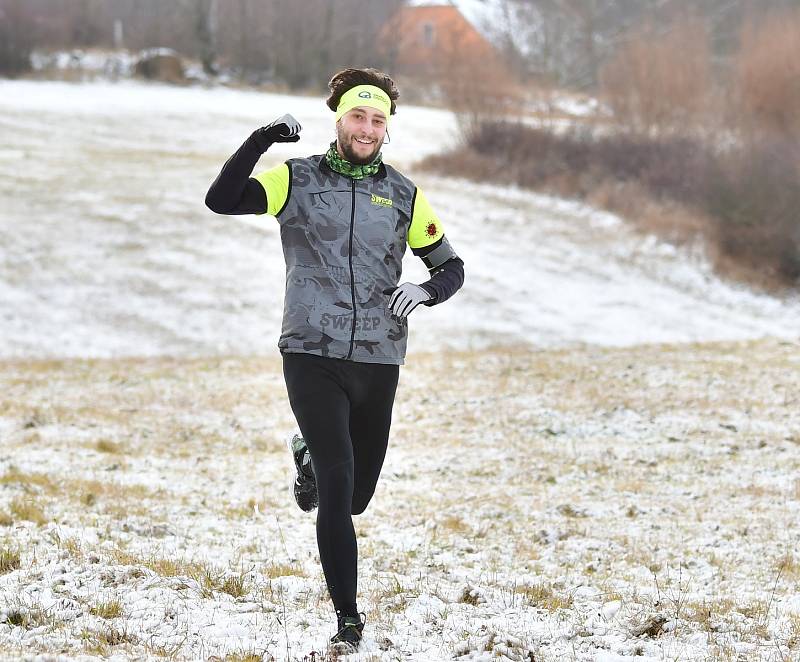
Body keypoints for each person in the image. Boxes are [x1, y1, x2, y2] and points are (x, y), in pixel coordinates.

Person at [205, 68, 464, 649]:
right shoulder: (295, 180)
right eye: (357, 116)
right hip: (310, 351)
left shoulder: (403, 195)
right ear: (340, 120)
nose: (367, 127)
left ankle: (308, 458)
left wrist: (426, 291)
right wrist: (262, 138)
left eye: (377, 119)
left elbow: (451, 267)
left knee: (354, 495)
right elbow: (221, 199)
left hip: (379, 356)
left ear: (386, 129)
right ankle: (348, 619)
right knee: (339, 477)